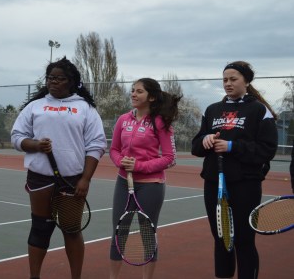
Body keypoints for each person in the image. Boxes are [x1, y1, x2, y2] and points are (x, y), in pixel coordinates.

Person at [11, 57, 107, 279]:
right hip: (39, 178)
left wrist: (86, 179)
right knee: (40, 228)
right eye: (50, 78)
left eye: (59, 78)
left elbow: (96, 145)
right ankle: (34, 276)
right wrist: (34, 145)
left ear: (71, 82)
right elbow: (17, 137)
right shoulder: (34, 106)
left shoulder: (85, 109)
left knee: (71, 230)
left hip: (73, 180)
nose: (53, 82)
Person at [191, 61, 278, 279]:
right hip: (214, 183)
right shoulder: (212, 110)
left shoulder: (259, 110)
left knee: (243, 240)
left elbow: (267, 149)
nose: (228, 84)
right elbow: (196, 147)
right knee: (221, 238)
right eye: (224, 80)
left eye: (233, 79)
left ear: (247, 81)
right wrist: (205, 140)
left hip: (245, 184)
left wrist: (232, 147)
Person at [109, 78, 180, 279]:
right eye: (132, 90)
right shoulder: (123, 119)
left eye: (139, 91)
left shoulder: (160, 122)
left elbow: (169, 158)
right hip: (123, 183)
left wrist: (140, 166)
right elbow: (113, 149)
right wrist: (120, 161)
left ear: (151, 96)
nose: (133, 94)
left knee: (148, 234)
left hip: (151, 186)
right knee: (118, 232)